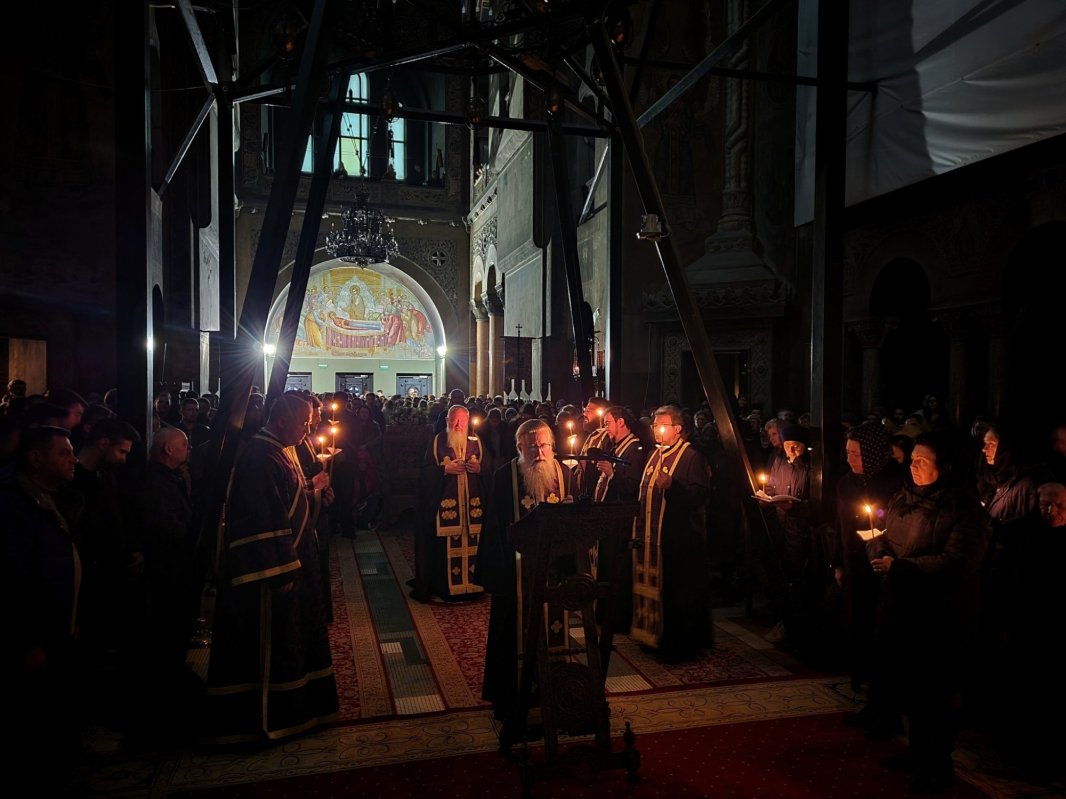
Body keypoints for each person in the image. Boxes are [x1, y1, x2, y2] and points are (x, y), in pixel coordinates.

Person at [202, 392, 339, 745]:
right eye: (304, 422)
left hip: (295, 561)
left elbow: (289, 499)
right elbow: (260, 519)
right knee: (272, 644)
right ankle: (269, 715)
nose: (309, 429)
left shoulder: (282, 450)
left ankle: (302, 708)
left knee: (295, 638)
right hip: (273, 572)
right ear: (281, 422)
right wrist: (281, 571)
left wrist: (313, 490)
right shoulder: (260, 456)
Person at [870, 429, 990, 794]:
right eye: (913, 458)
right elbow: (885, 537)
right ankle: (917, 749)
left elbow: (957, 562)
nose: (914, 465)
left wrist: (901, 568)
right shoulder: (904, 498)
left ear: (946, 466)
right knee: (908, 685)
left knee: (937, 691)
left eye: (924, 460)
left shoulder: (964, 509)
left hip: (941, 614)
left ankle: (939, 763)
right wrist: (876, 553)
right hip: (901, 607)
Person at [0, 426, 84, 787]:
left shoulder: (51, 496)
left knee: (57, 712)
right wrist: (29, 638)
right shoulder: (14, 504)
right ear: (35, 458)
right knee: (35, 719)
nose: (74, 460)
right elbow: (15, 576)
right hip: (36, 634)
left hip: (59, 625)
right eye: (64, 453)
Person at [475, 418, 574, 722]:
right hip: (515, 571)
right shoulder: (506, 476)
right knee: (512, 631)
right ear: (520, 447)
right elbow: (494, 526)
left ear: (552, 446)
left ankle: (555, 693)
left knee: (553, 628)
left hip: (554, 569)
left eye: (544, 445)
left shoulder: (565, 473)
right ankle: (511, 697)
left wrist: (571, 511)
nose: (539, 451)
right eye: (532, 446)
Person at [833, 421, 906, 735]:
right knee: (861, 631)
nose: (851, 460)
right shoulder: (848, 482)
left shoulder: (895, 482)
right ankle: (871, 704)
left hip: (886, 570)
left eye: (857, 454)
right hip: (856, 568)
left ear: (875, 454)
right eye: (848, 453)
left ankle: (887, 711)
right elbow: (841, 526)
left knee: (884, 642)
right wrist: (838, 563)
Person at [630, 405, 712, 662]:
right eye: (655, 425)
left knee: (676, 593)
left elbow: (701, 497)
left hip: (679, 540)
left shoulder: (691, 457)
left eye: (662, 425)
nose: (657, 429)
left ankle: (675, 643)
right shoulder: (654, 454)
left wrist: (674, 487)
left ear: (677, 429)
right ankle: (650, 636)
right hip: (652, 540)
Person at [410, 404, 488, 603]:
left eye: (463, 420)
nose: (459, 425)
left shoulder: (477, 441)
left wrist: (479, 468)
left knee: (475, 547)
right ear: (447, 420)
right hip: (444, 510)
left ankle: (473, 587)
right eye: (455, 420)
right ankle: (444, 589)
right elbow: (423, 474)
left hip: (473, 508)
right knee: (443, 549)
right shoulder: (437, 442)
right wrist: (443, 470)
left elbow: (491, 468)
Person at [590, 405, 648, 632]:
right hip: (608, 518)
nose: (605, 428)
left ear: (621, 422)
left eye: (607, 423)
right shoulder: (615, 445)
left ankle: (616, 618)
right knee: (605, 565)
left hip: (620, 520)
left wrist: (612, 473)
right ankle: (603, 614)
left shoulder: (635, 449)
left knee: (616, 568)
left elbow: (634, 486)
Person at [759, 423, 813, 646]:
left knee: (799, 580)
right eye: (788, 445)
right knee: (781, 576)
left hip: (801, 531)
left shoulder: (809, 467)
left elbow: (814, 501)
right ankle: (783, 621)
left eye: (796, 446)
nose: (792, 451)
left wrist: (795, 508)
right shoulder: (780, 461)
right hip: (781, 527)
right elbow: (772, 484)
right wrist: (766, 496)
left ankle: (799, 628)